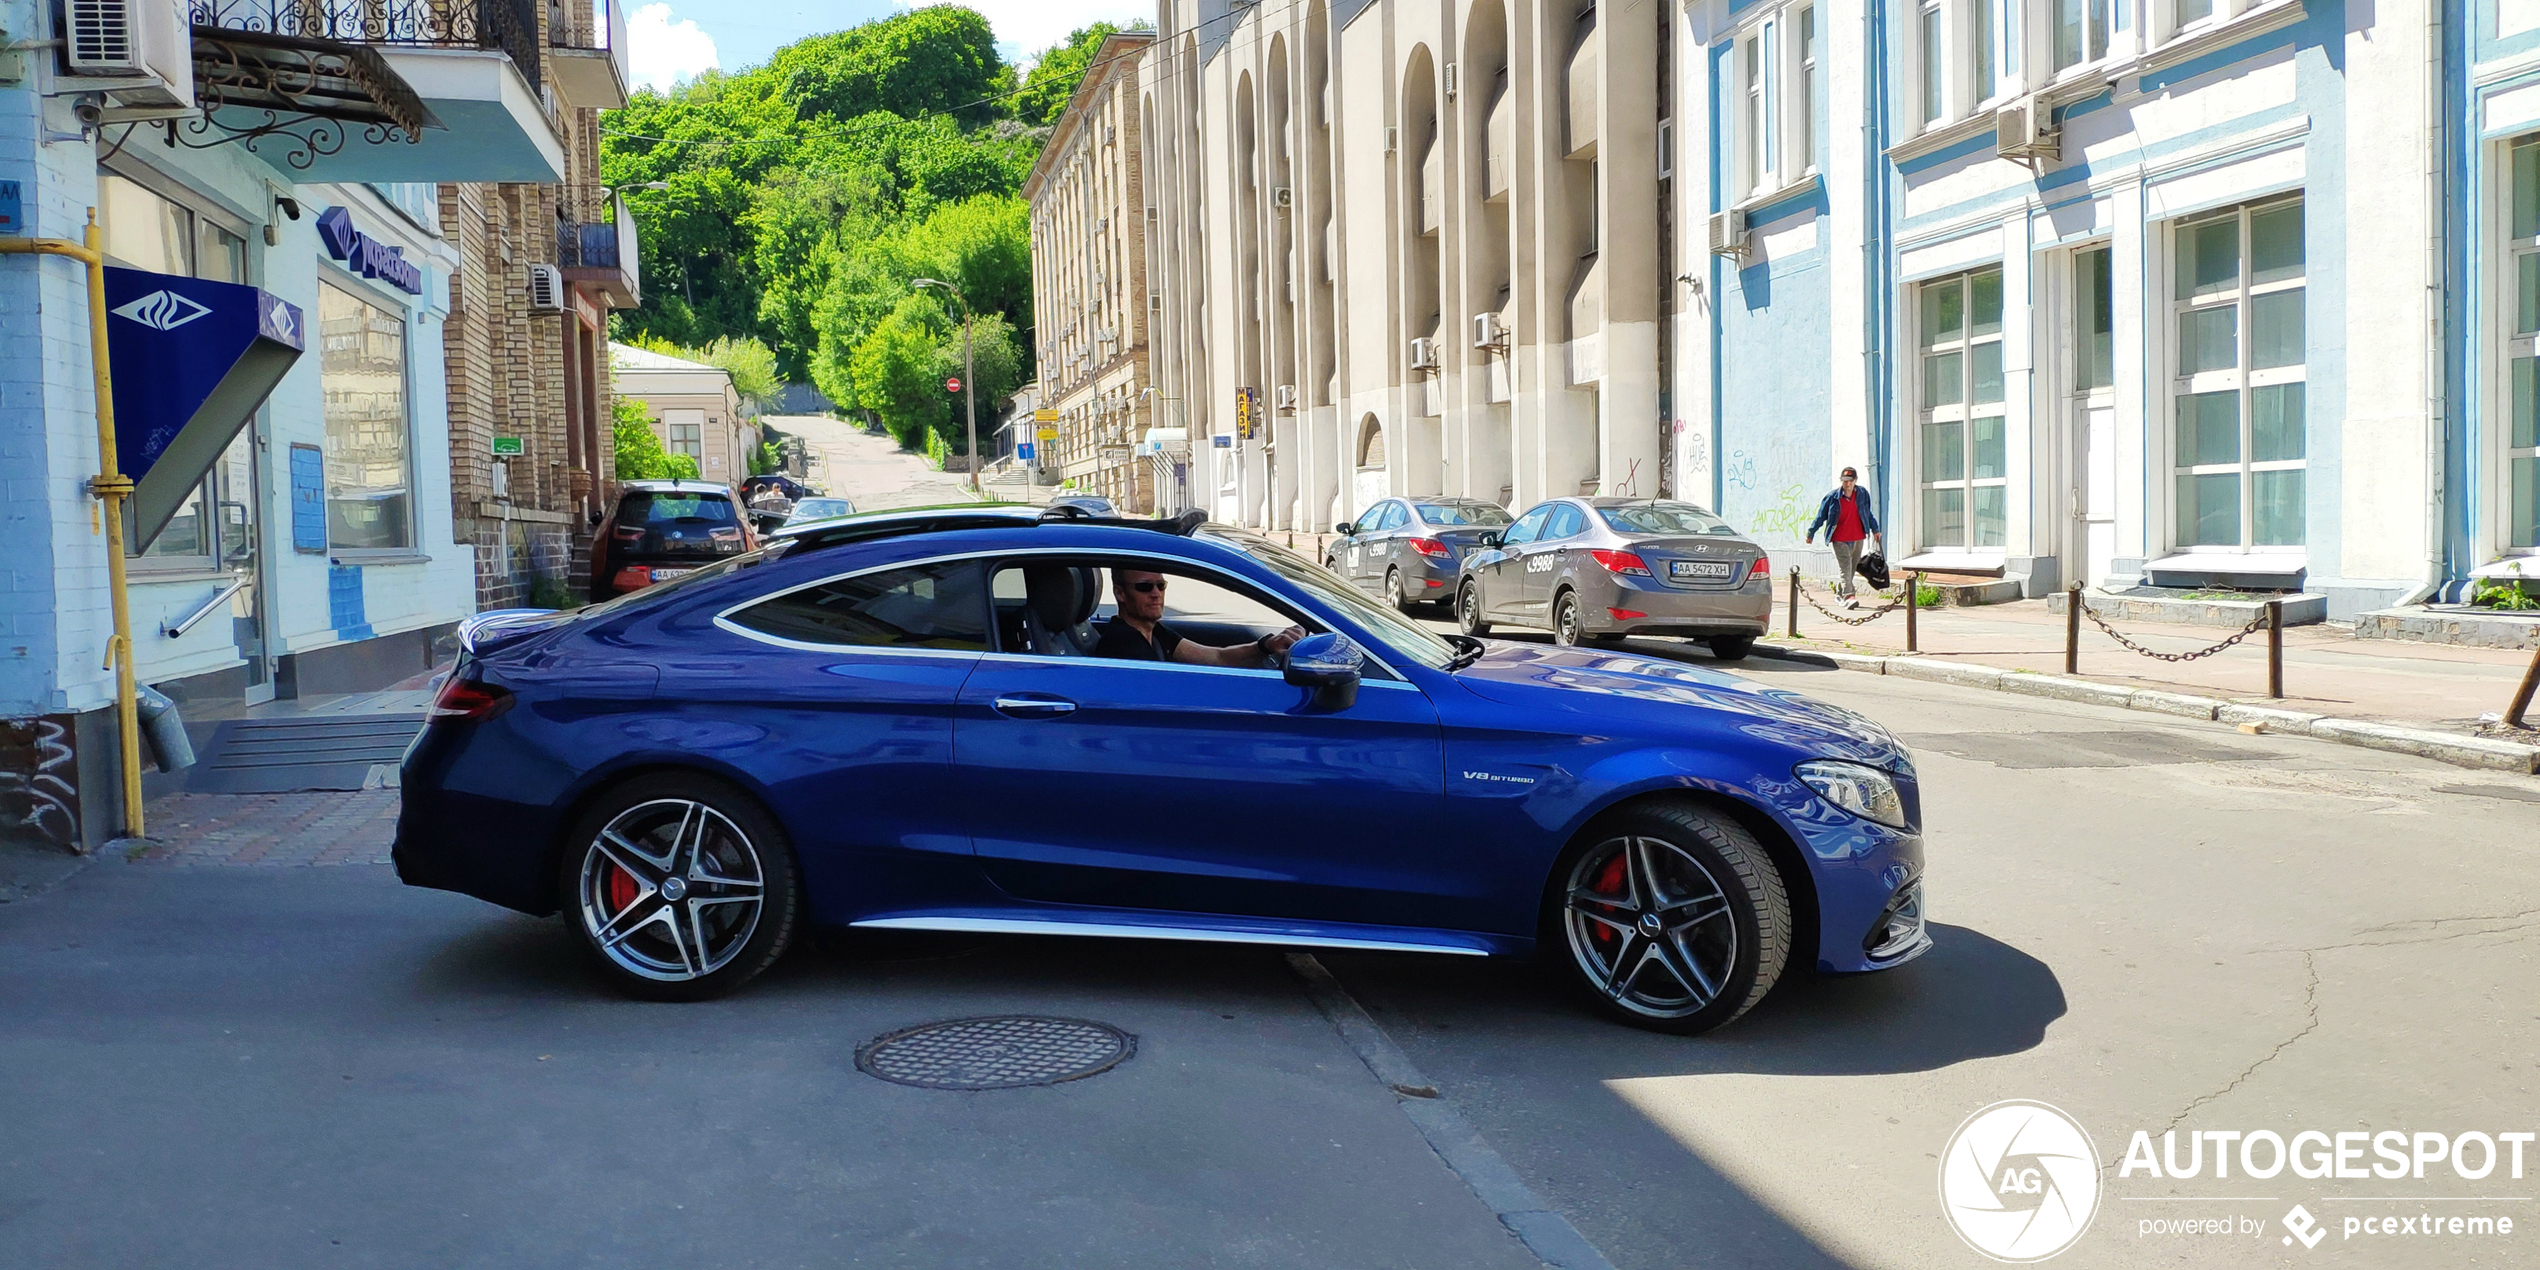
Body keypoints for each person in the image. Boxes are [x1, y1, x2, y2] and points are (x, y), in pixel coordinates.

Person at [1093, 568, 1307, 666]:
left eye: (1161, 585)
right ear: (1120, 593)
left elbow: (1217, 657)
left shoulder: (1154, 632)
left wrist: (1265, 645)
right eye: (1144, 586)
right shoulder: (1122, 645)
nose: (1156, 593)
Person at [1803, 467, 1883, 605]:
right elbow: (1821, 516)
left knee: (1852, 568)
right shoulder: (1832, 497)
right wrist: (1811, 533)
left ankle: (1841, 592)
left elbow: (1867, 513)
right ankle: (1849, 596)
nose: (1847, 484)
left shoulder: (1862, 494)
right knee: (1845, 566)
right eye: (1845, 481)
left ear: (1855, 481)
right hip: (1839, 538)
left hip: (1858, 537)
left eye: (1850, 481)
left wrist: (1875, 529)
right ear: (1841, 481)